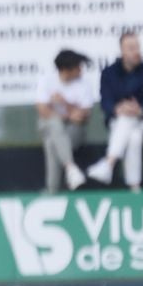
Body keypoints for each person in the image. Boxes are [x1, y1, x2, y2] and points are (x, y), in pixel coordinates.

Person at [86, 31, 143, 190]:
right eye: (131, 48)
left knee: (129, 120)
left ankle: (109, 163)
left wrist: (139, 110)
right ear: (122, 51)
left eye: (137, 47)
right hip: (118, 122)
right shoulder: (109, 73)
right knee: (134, 136)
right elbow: (105, 102)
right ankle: (134, 186)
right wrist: (118, 108)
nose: (136, 51)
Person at [37, 50, 94, 192]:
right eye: (77, 67)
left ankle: (52, 190)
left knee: (51, 142)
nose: (80, 70)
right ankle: (71, 168)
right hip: (50, 125)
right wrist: (68, 115)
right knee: (54, 123)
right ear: (65, 69)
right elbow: (42, 110)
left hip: (74, 130)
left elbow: (83, 114)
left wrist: (64, 103)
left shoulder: (84, 85)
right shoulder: (47, 81)